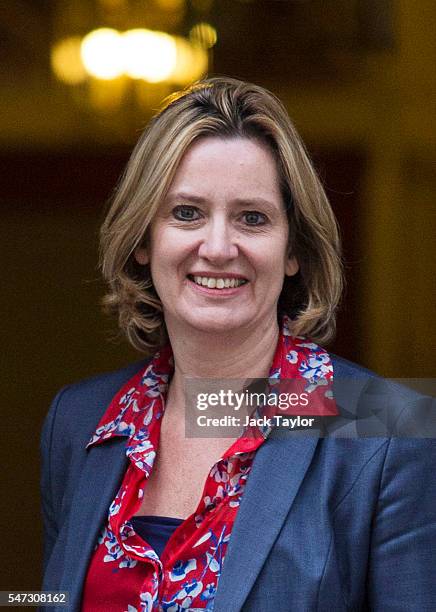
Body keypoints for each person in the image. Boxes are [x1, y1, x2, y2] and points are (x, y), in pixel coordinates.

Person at [40, 77, 436, 612]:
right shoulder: (80, 420)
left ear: (292, 249)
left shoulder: (384, 427)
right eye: (186, 213)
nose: (219, 247)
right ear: (142, 240)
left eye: (252, 218)